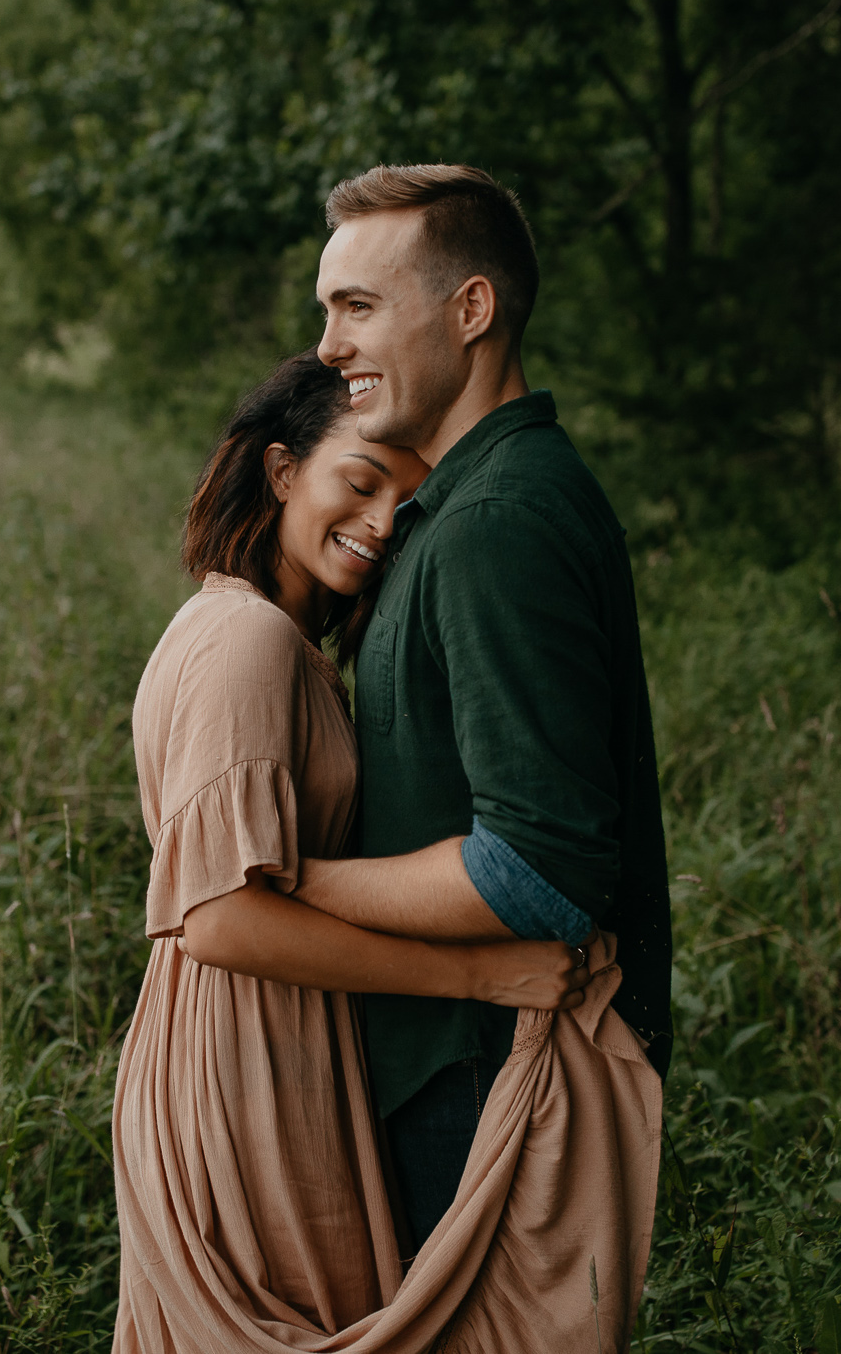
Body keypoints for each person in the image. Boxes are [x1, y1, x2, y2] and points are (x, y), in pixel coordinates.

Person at [113, 350, 662, 1353]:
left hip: (257, 1042)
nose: (376, 525)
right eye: (358, 484)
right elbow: (222, 918)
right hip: (247, 1054)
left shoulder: (253, 631)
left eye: (402, 507)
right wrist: (480, 977)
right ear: (282, 473)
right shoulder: (251, 646)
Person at [295, 164, 674, 1258]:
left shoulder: (498, 520)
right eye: (328, 311)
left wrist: (287, 884)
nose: (328, 346)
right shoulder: (456, 501)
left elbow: (543, 870)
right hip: (457, 1063)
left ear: (471, 311)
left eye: (357, 307)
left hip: (493, 1073)